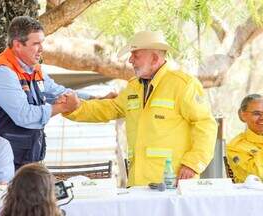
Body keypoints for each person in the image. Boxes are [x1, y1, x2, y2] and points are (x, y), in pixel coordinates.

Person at [62, 31, 218, 186]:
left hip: (173, 182)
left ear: (155, 58)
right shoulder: (133, 87)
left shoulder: (183, 85)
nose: (130, 60)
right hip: (137, 184)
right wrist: (74, 107)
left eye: (136, 55)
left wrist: (192, 163)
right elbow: (108, 108)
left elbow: (206, 124)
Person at [0, 16, 106, 169]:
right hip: (3, 162)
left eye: (42, 43)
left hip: (26, 158)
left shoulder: (33, 69)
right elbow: (24, 115)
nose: (42, 49)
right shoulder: (3, 72)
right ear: (18, 45)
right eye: (36, 44)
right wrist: (61, 108)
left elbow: (57, 92)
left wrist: (96, 98)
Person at [226, 94, 263, 183]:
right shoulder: (236, 146)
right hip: (253, 195)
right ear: (243, 115)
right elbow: (257, 176)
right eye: (256, 114)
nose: (262, 118)